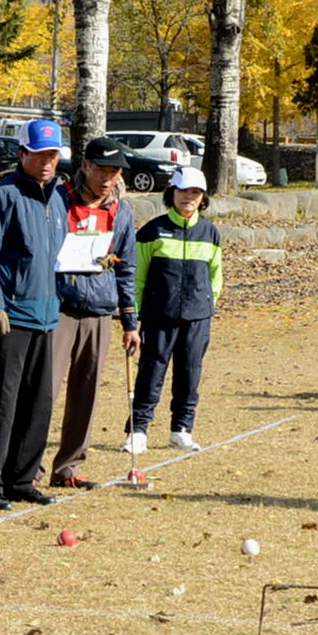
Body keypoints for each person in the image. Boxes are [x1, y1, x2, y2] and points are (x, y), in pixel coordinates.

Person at [0, 119, 69, 510]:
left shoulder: (58, 198)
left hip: (46, 314)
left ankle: (21, 477)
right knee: (2, 403)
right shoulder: (2, 196)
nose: (46, 162)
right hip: (9, 317)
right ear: (22, 154)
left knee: (38, 401)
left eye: (52, 155)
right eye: (38, 154)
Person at [43, 137, 140, 488]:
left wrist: (130, 322)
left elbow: (126, 268)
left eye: (113, 172)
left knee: (86, 393)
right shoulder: (57, 200)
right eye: (100, 170)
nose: (106, 178)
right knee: (46, 391)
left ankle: (68, 467)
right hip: (59, 308)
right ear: (85, 166)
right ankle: (29, 469)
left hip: (99, 310)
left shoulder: (122, 212)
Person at [126, 166, 222, 451]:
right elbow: (137, 277)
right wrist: (133, 313)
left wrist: (208, 304)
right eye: (182, 191)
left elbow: (216, 275)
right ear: (172, 193)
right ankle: (138, 430)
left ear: (202, 197)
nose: (188, 197)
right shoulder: (151, 231)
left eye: (195, 192)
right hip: (158, 315)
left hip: (197, 317)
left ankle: (181, 428)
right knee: (151, 372)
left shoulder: (210, 232)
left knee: (190, 373)